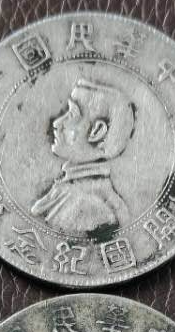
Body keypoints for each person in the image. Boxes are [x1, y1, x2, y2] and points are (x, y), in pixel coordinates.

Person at [30, 78, 135, 234]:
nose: (57, 123)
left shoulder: (88, 207)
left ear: (97, 132)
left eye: (71, 115)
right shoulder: (70, 191)